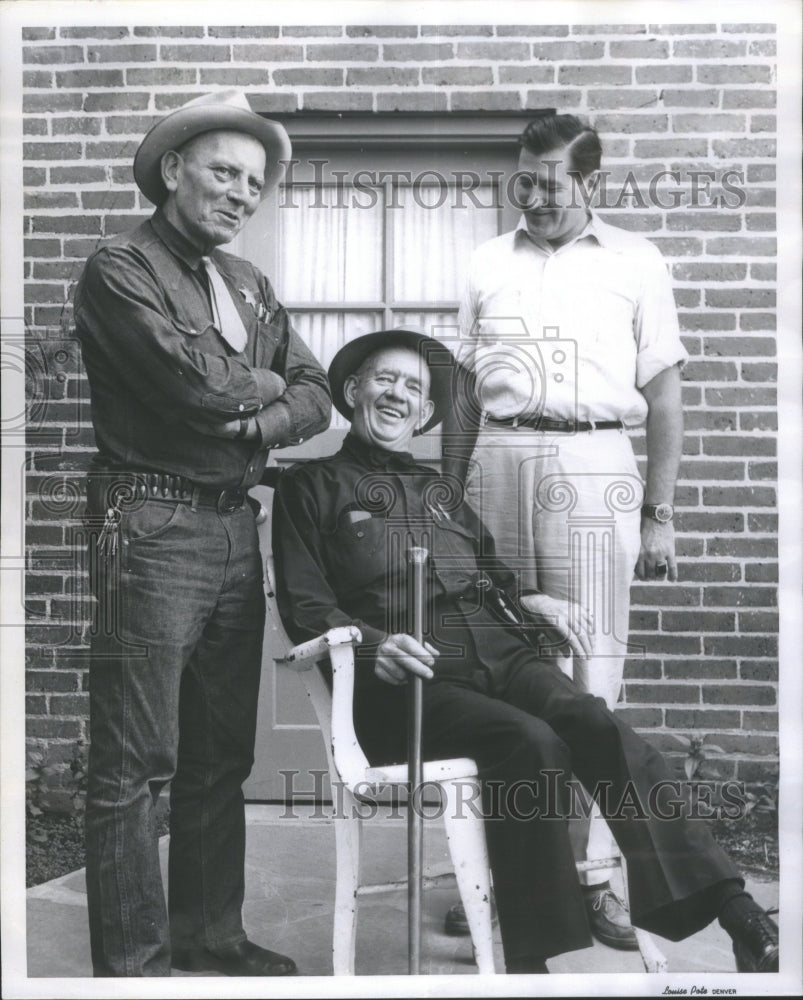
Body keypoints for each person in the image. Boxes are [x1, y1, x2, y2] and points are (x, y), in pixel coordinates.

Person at [272, 327, 778, 975]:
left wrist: (529, 601)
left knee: (595, 721)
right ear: (352, 391)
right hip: (409, 682)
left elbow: (490, 573)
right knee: (527, 740)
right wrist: (375, 645)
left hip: (499, 654)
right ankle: (529, 966)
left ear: (427, 413)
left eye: (415, 389)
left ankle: (736, 914)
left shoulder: (438, 491)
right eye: (384, 379)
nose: (399, 395)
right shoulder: (309, 487)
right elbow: (306, 606)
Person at [74, 90, 331, 977]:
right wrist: (258, 389)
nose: (239, 194)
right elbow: (195, 387)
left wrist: (260, 411)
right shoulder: (120, 267)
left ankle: (207, 935)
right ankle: (136, 969)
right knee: (137, 763)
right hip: (143, 525)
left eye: (253, 184)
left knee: (220, 757)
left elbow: (315, 389)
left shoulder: (249, 286)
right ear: (173, 170)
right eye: (223, 171)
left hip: (230, 527)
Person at [441, 111, 688, 950]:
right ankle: (504, 876)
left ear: (590, 182)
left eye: (551, 179)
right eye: (524, 177)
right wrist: (447, 499)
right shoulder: (483, 262)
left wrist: (657, 514)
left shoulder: (636, 261)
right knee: (500, 674)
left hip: (594, 465)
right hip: (500, 461)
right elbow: (465, 395)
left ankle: (594, 881)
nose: (535, 194)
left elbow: (662, 396)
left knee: (593, 678)